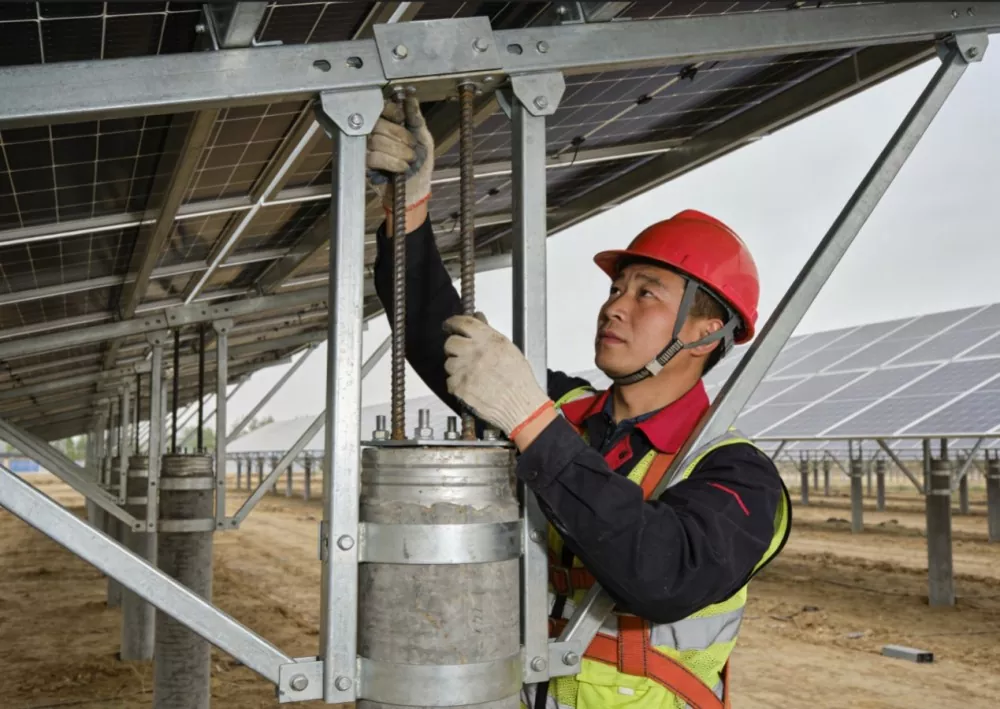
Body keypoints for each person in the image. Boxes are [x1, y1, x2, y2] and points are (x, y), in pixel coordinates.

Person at [368, 96, 792, 709]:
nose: (614, 306)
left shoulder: (737, 473)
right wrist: (406, 213)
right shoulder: (566, 411)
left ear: (705, 333)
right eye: (617, 288)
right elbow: (437, 339)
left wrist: (532, 423)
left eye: (647, 294)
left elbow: (664, 574)